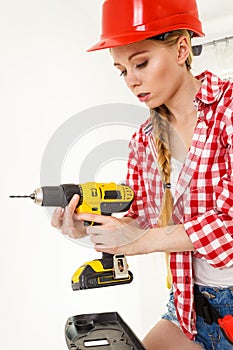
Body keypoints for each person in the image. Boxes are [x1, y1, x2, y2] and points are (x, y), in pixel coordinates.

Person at [51, 1, 233, 349]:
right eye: (122, 70)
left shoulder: (228, 111)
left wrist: (138, 241)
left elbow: (229, 225)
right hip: (189, 308)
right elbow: (141, 222)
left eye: (141, 63)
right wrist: (88, 228)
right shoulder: (144, 140)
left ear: (181, 49)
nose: (132, 81)